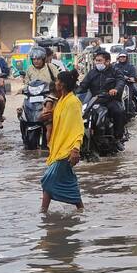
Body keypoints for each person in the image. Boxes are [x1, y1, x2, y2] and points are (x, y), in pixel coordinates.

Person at [40, 71, 84, 213]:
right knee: (68, 181)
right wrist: (46, 117)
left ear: (63, 84)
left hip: (67, 149)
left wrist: (75, 149)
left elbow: (78, 128)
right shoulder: (60, 102)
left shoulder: (73, 102)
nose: (55, 83)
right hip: (57, 148)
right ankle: (81, 210)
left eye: (58, 80)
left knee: (48, 179)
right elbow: (58, 121)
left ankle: (43, 211)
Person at [78, 51, 127, 150]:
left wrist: (116, 89)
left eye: (100, 61)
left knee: (119, 112)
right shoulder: (92, 72)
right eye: (96, 61)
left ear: (107, 61)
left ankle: (118, 138)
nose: (97, 63)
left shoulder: (115, 71)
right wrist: (73, 92)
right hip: (95, 100)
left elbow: (120, 82)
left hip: (110, 100)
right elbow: (83, 85)